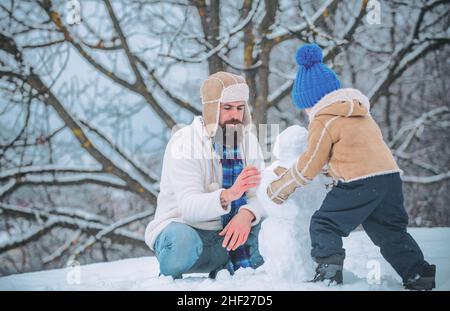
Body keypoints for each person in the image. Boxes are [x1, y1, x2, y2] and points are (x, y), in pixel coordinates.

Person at [266, 43, 435, 290]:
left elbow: (309, 164)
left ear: (311, 101)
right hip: (389, 178)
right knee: (389, 231)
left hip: (360, 181)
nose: (306, 113)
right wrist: (330, 171)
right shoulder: (360, 113)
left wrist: (282, 186)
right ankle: (419, 274)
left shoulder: (323, 119)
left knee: (324, 223)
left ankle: (328, 274)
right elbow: (353, 154)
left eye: (305, 107)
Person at [145, 71, 265, 279]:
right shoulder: (185, 142)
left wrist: (246, 215)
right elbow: (188, 207)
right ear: (211, 108)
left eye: (239, 108)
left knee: (273, 228)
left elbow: (261, 196)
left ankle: (225, 265)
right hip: (185, 232)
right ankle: (173, 269)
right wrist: (229, 195)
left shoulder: (249, 142)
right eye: (227, 108)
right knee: (183, 241)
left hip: (225, 238)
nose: (235, 115)